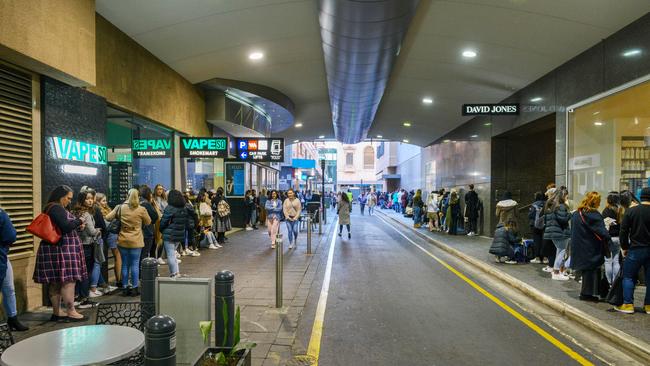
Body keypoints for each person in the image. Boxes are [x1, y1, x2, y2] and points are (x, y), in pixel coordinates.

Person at [33, 185, 87, 322]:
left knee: (56, 282)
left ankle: (57, 312)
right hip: (62, 250)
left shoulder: (51, 207)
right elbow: (66, 226)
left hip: (54, 249)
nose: (69, 201)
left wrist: (76, 225)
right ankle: (71, 311)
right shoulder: (56, 208)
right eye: (68, 198)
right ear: (60, 196)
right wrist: (79, 221)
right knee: (69, 280)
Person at [106, 188, 152, 296]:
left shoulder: (120, 207)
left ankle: (125, 288)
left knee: (125, 264)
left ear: (127, 195)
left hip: (123, 239)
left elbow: (108, 218)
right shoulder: (141, 209)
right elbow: (149, 221)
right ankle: (135, 288)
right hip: (136, 240)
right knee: (135, 264)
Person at [571, 191, 611, 302]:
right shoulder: (595, 215)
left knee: (587, 272)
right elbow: (602, 232)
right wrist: (608, 235)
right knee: (592, 271)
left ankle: (587, 293)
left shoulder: (576, 213)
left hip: (579, 247)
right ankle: (587, 294)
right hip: (591, 247)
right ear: (596, 202)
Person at [615, 187, 650, 314]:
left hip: (635, 249)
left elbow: (623, 232)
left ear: (641, 197)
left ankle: (628, 304)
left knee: (628, 277)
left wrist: (624, 247)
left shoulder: (631, 211)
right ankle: (648, 306)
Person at [72, 190, 105, 303]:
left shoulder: (74, 211)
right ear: (82, 200)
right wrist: (98, 230)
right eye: (87, 198)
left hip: (76, 245)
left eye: (91, 198)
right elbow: (91, 231)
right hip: (87, 245)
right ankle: (84, 298)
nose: (90, 201)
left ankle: (76, 295)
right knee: (86, 272)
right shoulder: (86, 213)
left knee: (79, 272)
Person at [0, 207, 28, 330]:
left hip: (3, 256)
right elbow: (11, 235)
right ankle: (13, 318)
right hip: (1, 255)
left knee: (9, 288)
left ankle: (13, 318)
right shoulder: (1, 213)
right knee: (9, 289)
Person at [160, 190, 193, 278]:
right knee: (173, 254)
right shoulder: (184, 208)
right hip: (180, 234)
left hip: (169, 234)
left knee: (170, 255)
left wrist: (161, 229)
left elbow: (163, 222)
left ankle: (174, 273)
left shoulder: (169, 208)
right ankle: (177, 272)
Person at [543, 187, 572, 281]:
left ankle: (557, 271)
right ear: (563, 196)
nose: (567, 199)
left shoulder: (551, 205)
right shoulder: (561, 206)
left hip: (553, 233)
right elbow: (563, 219)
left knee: (559, 251)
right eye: (566, 197)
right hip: (560, 232)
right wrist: (570, 213)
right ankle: (556, 272)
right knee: (561, 251)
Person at [97, 193, 122, 287]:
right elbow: (107, 224)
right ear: (98, 201)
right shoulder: (99, 211)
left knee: (116, 257)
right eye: (103, 201)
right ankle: (119, 280)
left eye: (105, 200)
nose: (105, 202)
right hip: (110, 235)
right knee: (118, 256)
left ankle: (117, 279)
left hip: (110, 235)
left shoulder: (107, 209)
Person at [602, 192, 622, 285]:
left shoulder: (606, 211)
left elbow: (604, 226)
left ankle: (609, 282)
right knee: (616, 260)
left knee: (608, 261)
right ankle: (615, 282)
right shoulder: (620, 210)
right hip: (618, 238)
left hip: (609, 238)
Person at [139, 186, 160, 264]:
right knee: (144, 254)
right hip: (147, 232)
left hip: (138, 232)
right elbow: (155, 216)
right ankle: (144, 273)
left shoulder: (136, 203)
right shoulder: (146, 204)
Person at [528, 192, 547, 264]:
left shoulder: (534, 204)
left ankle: (537, 258)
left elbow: (530, 215)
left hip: (535, 225)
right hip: (545, 224)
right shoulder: (546, 204)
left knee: (536, 241)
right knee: (544, 241)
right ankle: (545, 258)